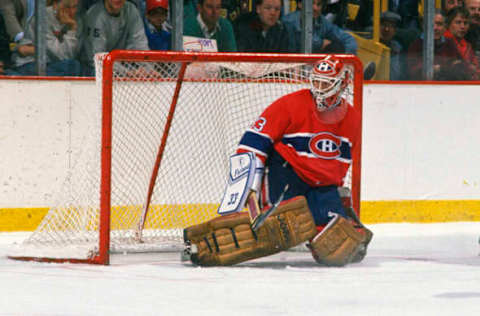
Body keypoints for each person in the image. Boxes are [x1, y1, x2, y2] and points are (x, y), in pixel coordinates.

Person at [183, 56, 373, 267]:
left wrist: (335, 196)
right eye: (316, 81)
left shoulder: (352, 118)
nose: (319, 88)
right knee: (277, 225)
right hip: (286, 175)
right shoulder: (290, 104)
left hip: (321, 187)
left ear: (342, 83)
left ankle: (332, 217)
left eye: (326, 83)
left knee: (337, 246)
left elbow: (340, 163)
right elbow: (252, 144)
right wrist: (249, 187)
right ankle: (201, 245)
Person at [7, 0, 82, 76]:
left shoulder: (77, 21)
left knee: (75, 66)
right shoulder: (42, 17)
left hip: (53, 63)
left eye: (75, 7)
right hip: (30, 63)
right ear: (55, 4)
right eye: (67, 7)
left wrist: (73, 27)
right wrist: (72, 30)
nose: (72, 11)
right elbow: (62, 56)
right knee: (72, 66)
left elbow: (72, 54)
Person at [80, 0, 149, 76]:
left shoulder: (131, 10)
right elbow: (97, 58)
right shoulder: (94, 15)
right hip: (93, 70)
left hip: (122, 68)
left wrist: (148, 70)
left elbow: (140, 45)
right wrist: (127, 73)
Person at [282, 0, 358, 54]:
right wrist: (322, 43)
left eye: (319, 4)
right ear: (300, 4)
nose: (316, 8)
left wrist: (345, 57)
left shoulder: (322, 21)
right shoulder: (288, 22)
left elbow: (349, 40)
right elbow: (308, 44)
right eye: (311, 3)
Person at [407, 9, 464, 80]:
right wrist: (447, 67)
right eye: (431, 24)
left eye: (439, 24)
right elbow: (415, 72)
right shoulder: (416, 45)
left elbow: (460, 67)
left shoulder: (450, 43)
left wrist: (439, 68)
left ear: (445, 27)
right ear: (423, 25)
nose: (435, 28)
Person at [444, 6, 479, 79]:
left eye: (465, 23)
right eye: (458, 22)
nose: (462, 26)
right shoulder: (442, 42)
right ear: (448, 24)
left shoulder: (467, 45)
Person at [380, 11, 407, 80]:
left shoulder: (398, 48)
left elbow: (400, 76)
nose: (386, 29)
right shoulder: (370, 45)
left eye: (391, 26)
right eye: (384, 25)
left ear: (395, 31)